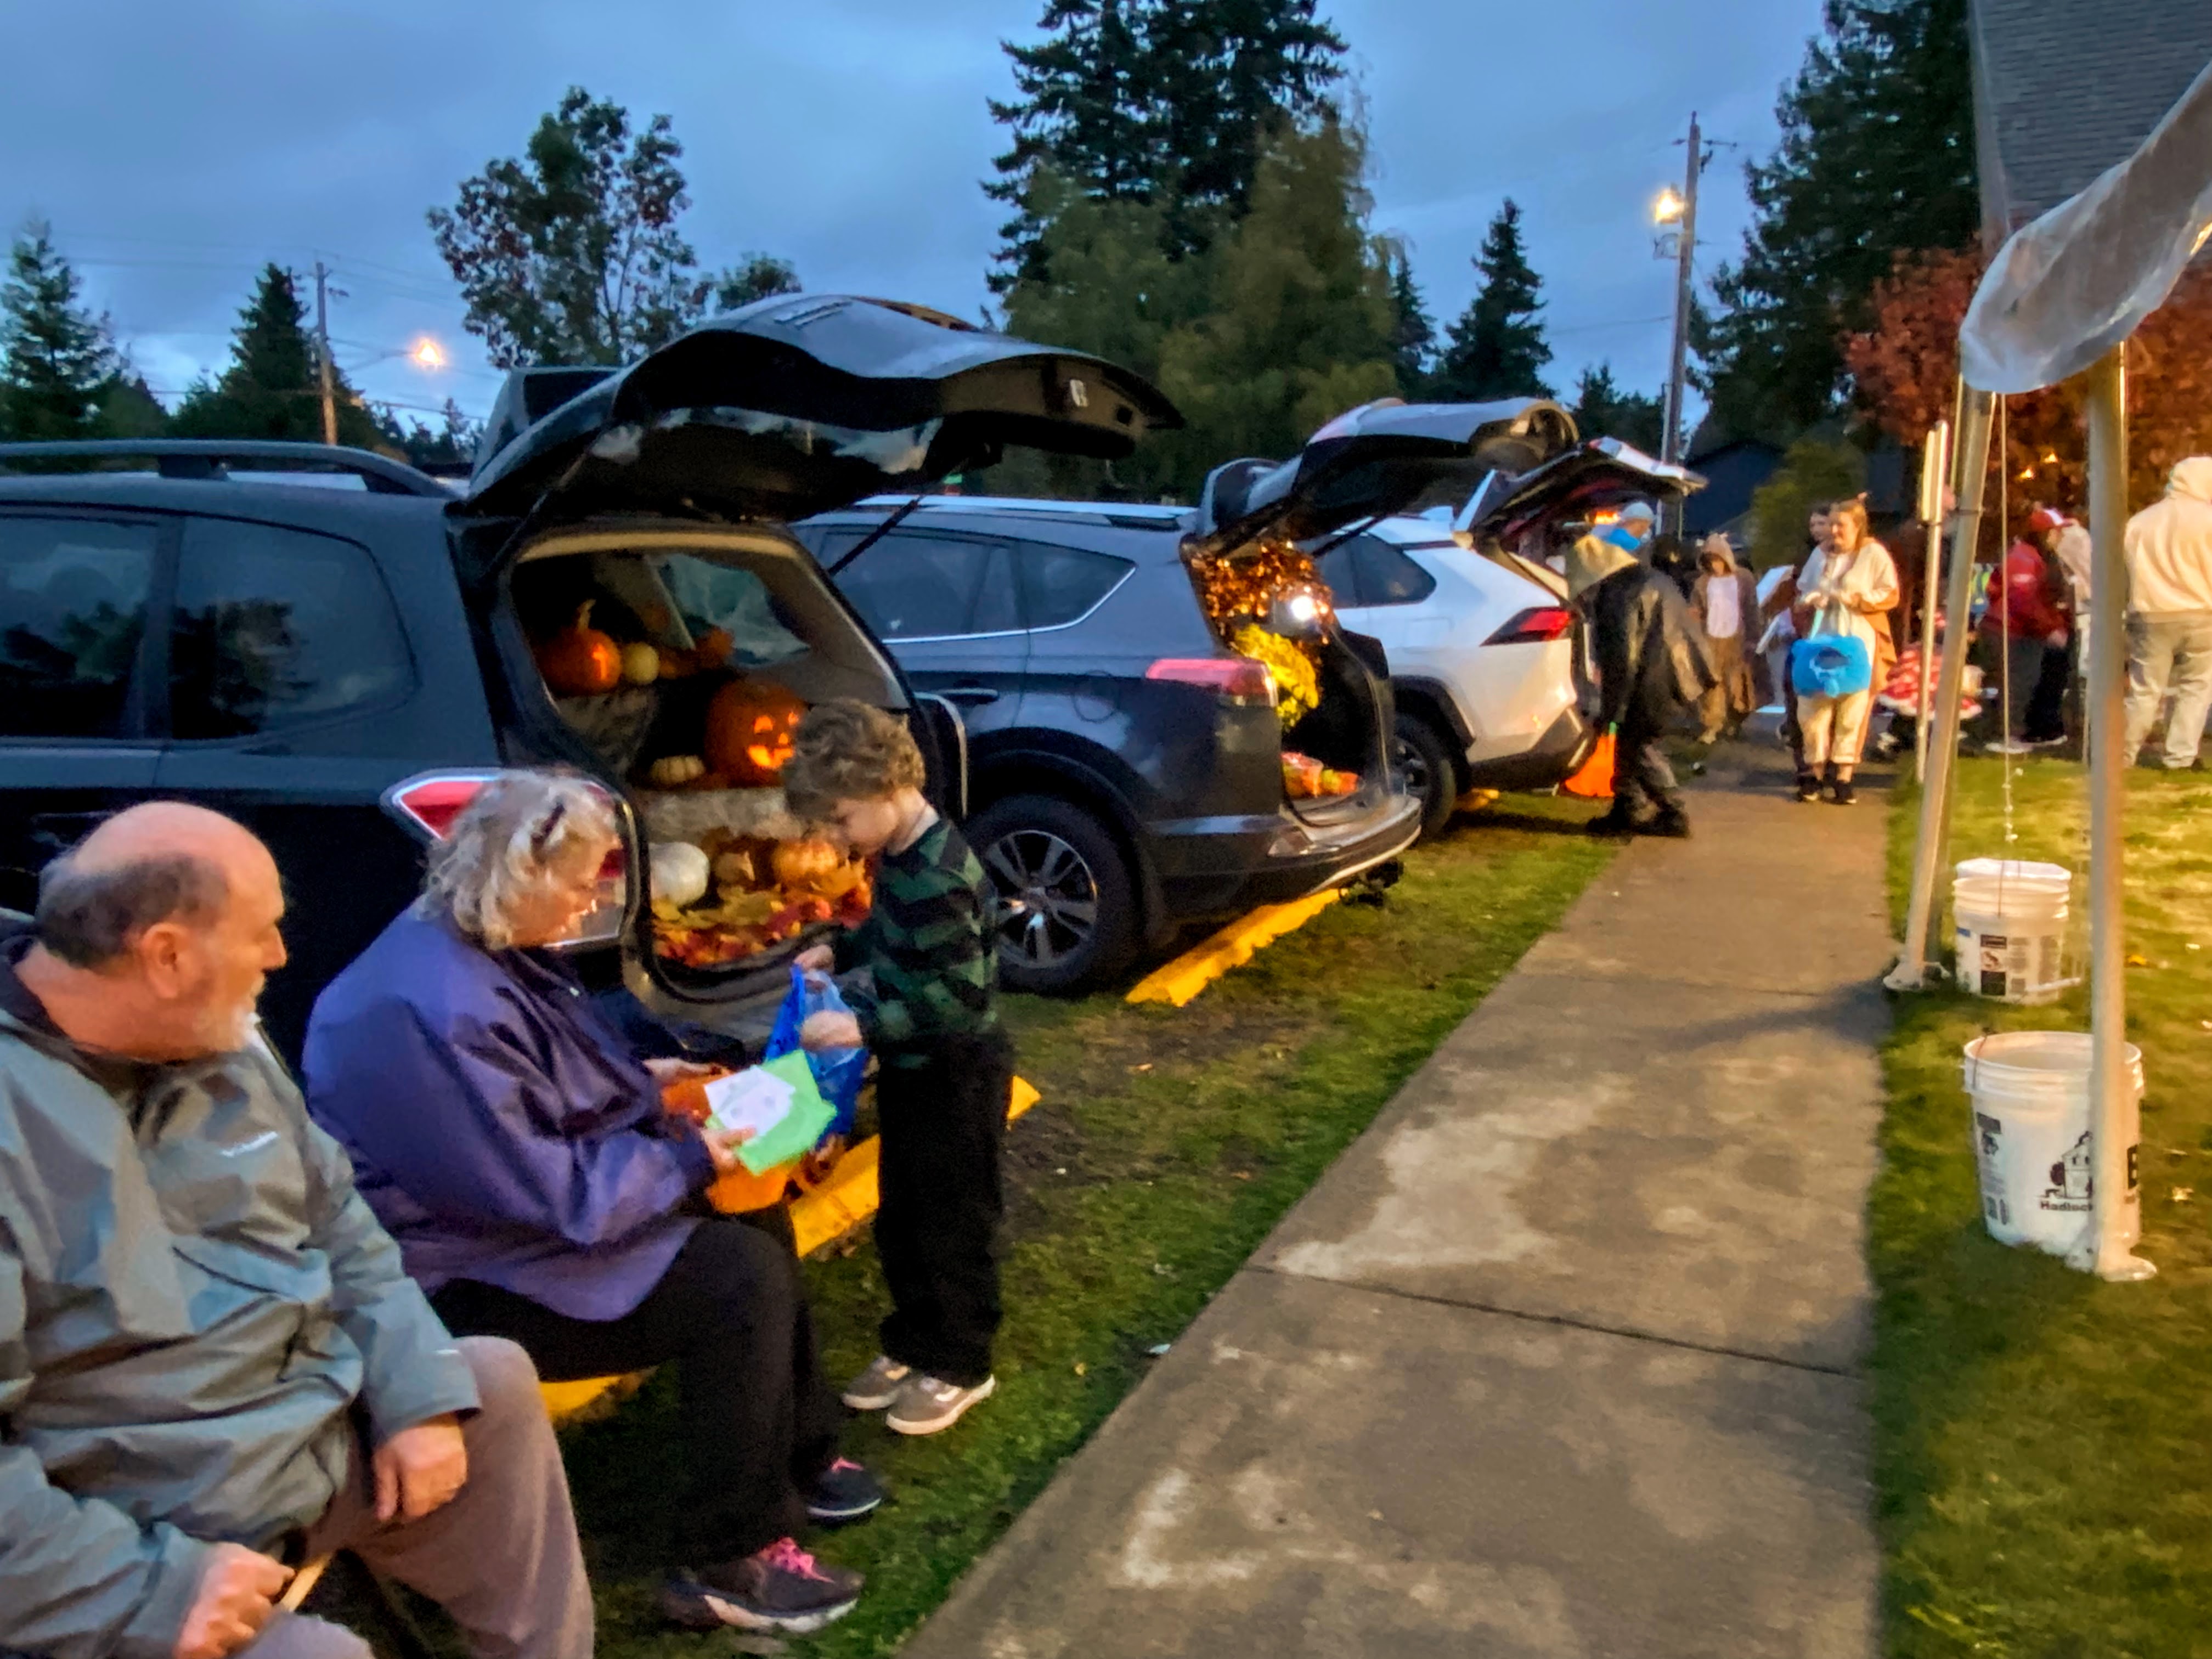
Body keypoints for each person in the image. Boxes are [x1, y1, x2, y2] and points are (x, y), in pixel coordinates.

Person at [0, 802, 593, 1659]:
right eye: (261, 933)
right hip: (137, 1524)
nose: (281, 956)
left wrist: (414, 1389)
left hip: (299, 1442)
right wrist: (145, 1590)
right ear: (167, 955)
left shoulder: (218, 1049)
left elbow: (342, 1227)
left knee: (486, 1384)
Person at [302, 772, 872, 1637]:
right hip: (462, 1274)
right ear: (522, 873)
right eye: (579, 886)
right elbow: (543, 1190)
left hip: (517, 1221)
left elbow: (541, 1091)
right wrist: (687, 1154)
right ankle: (729, 1557)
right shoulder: (427, 1011)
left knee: (751, 1209)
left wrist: (647, 1088)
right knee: (738, 1278)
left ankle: (798, 1452)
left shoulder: (477, 935)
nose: (589, 905)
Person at [783, 701, 1012, 1436]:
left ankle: (962, 1361)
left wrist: (863, 1025)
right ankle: (915, 1341)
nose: (838, 838)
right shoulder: (903, 855)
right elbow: (891, 935)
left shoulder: (939, 873)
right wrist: (842, 949)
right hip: (917, 1070)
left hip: (959, 1074)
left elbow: (961, 1001)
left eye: (842, 820)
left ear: (883, 785)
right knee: (905, 1218)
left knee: (954, 1222)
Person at [1567, 526, 1716, 838]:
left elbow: (1623, 656)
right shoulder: (1649, 579)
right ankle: (1627, 808)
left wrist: (1611, 710)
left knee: (1639, 746)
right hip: (1675, 670)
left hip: (1654, 677)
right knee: (1632, 743)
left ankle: (1674, 812)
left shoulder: (1619, 594)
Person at [1792, 498, 1900, 805]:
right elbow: (1803, 589)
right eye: (1832, 524)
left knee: (1852, 710)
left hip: (1857, 639)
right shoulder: (1820, 554)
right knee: (1813, 708)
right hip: (1823, 637)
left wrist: (1858, 599)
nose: (1834, 531)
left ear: (1858, 526)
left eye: (1841, 525)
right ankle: (1814, 774)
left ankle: (1843, 777)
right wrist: (1811, 599)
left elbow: (1890, 593)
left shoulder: (1873, 553)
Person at [2121, 456, 2212, 770]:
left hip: (2150, 613)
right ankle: (2180, 756)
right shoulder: (2208, 520)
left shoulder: (2140, 522)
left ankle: (2121, 755)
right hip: (2202, 612)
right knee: (2196, 688)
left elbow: (2124, 570)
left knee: (2145, 690)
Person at [1987, 506, 2073, 752]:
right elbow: (2022, 600)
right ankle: (2006, 736)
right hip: (2011, 631)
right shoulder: (2023, 559)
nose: (2060, 537)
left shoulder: (2035, 557)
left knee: (2024, 682)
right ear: (2044, 534)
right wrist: (2050, 629)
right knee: (2015, 685)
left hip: (2021, 630)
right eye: (2056, 532)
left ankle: (2013, 733)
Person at [1690, 533, 1759, 742]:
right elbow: (1696, 610)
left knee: (1738, 685)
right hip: (1711, 639)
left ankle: (1735, 721)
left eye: (1717, 559)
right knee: (1713, 685)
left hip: (1737, 639)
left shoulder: (1744, 578)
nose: (1714, 565)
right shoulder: (1702, 583)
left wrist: (1753, 638)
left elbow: (1752, 609)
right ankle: (1712, 725)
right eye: (1709, 560)